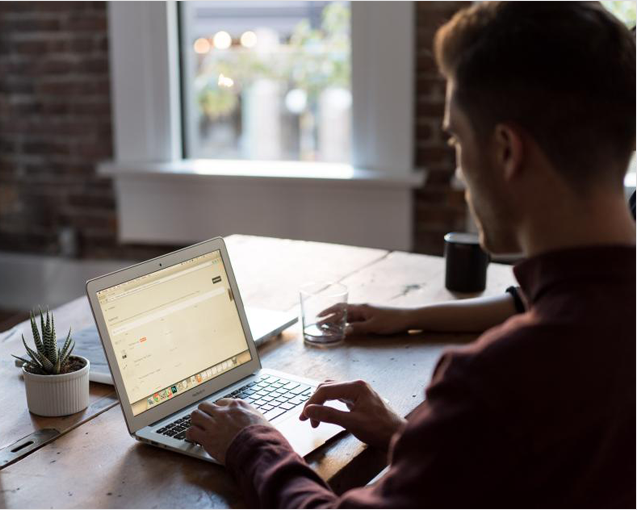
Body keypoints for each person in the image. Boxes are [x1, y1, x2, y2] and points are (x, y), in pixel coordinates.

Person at [186, 3, 636, 507]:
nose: (461, 176)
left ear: (507, 151)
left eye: (456, 139)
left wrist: (251, 444)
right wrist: (412, 439)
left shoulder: (500, 380)